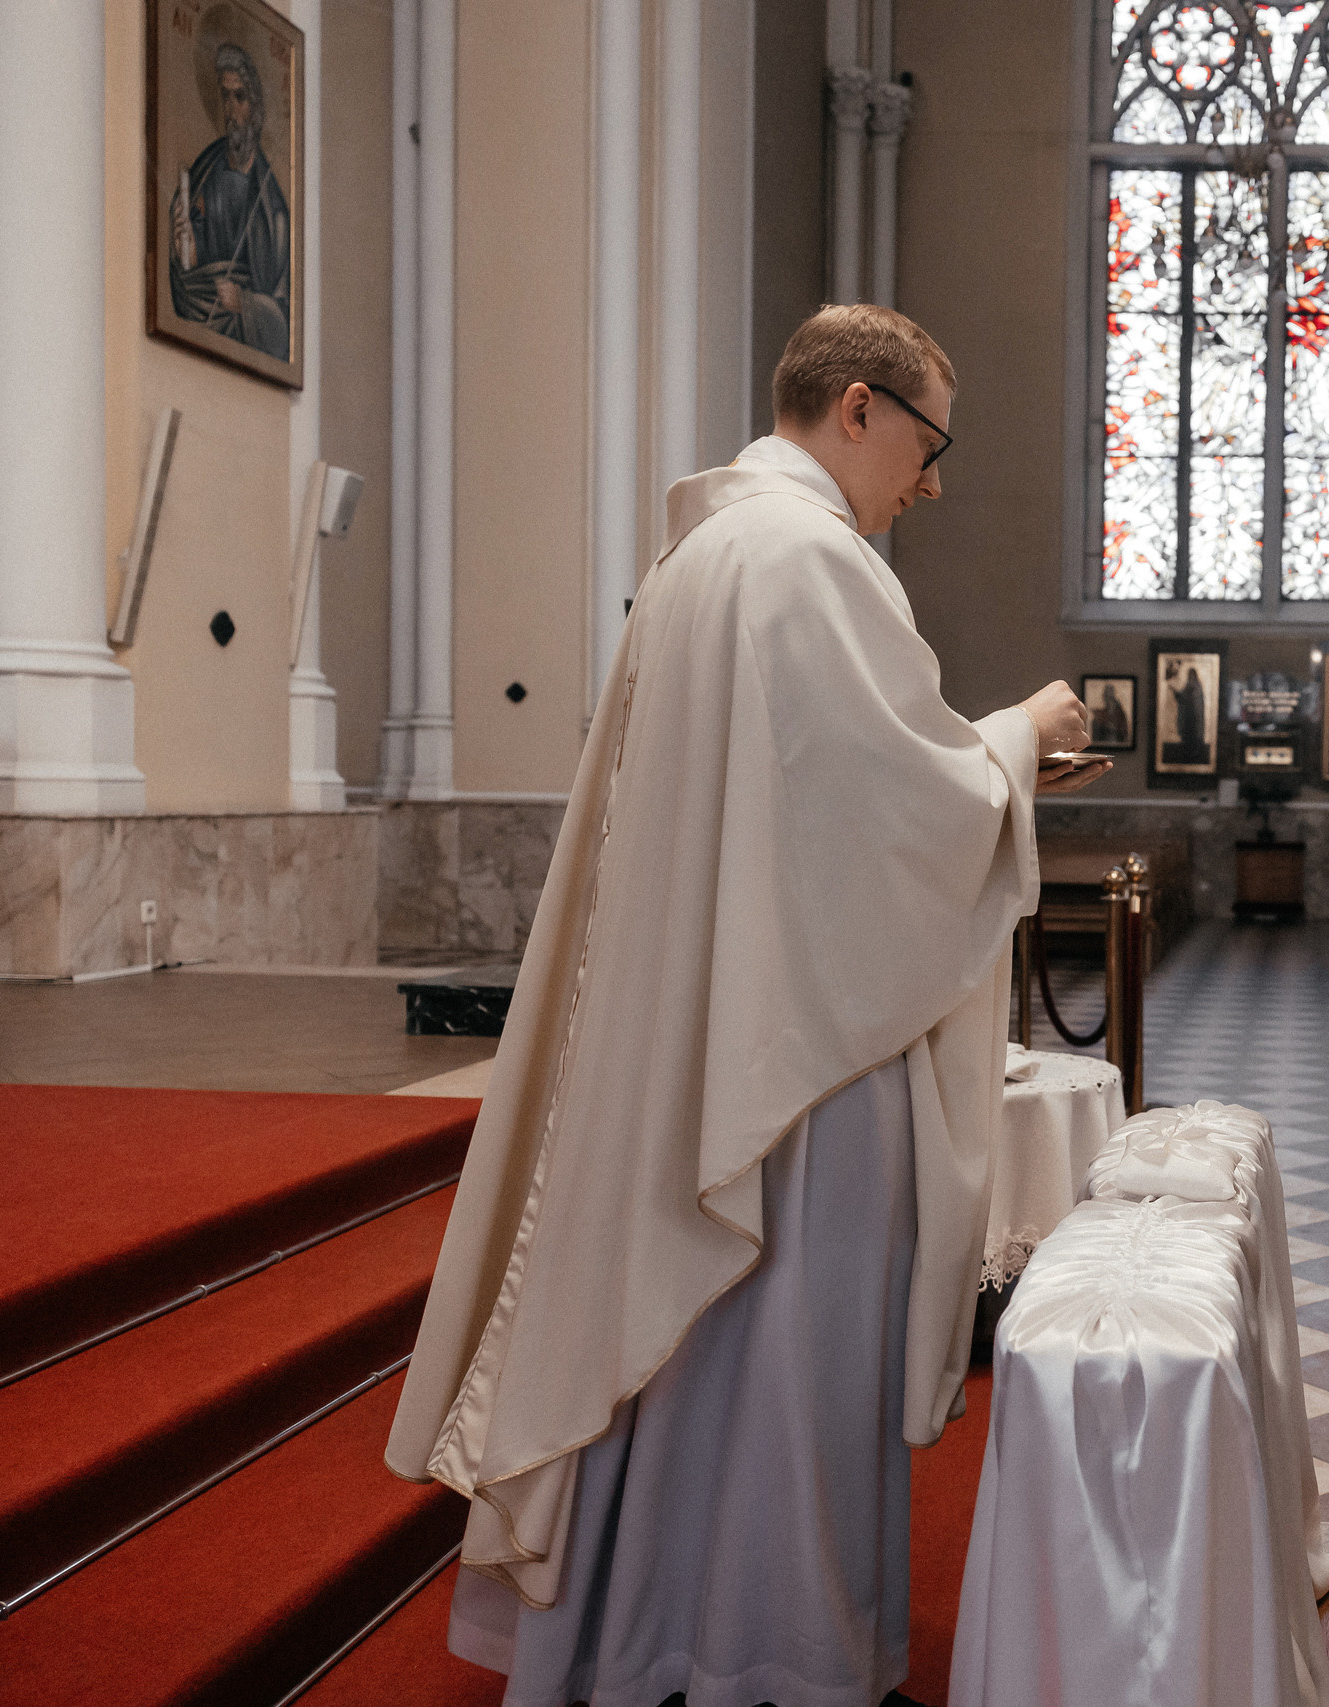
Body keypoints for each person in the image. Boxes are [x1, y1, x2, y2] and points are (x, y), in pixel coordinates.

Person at [384, 303, 1104, 1707]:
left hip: (707, 1030)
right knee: (781, 1370)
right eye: (930, 446)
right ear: (857, 407)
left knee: (694, 1371)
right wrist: (1025, 731)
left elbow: (809, 800)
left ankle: (657, 1639)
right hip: (794, 1068)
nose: (931, 484)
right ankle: (770, 1656)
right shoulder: (806, 558)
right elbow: (897, 811)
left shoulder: (708, 550)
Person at [170, 42, 292, 360]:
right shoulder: (202, 173)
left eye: (240, 97)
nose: (231, 110)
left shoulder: (274, 212)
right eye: (225, 96)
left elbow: (285, 325)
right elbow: (185, 273)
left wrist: (245, 303)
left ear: (255, 107)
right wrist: (185, 256)